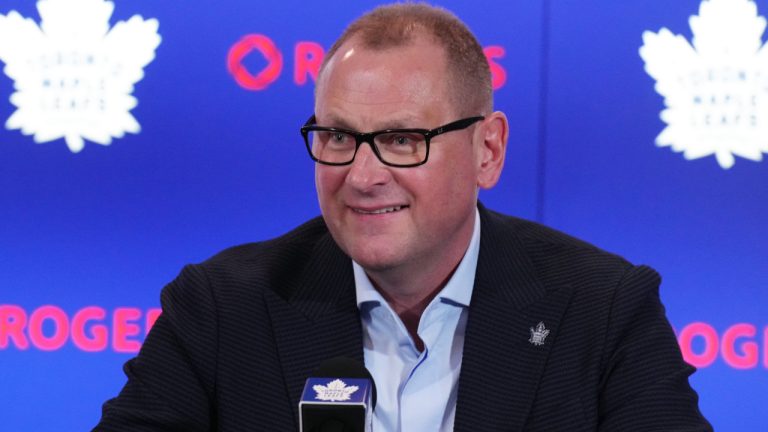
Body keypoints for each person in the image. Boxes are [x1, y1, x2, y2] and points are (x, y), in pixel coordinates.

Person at [94, 3, 711, 431]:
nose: (362, 176)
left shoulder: (603, 309)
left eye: (402, 139)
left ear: (487, 150)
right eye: (337, 137)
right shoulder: (223, 308)